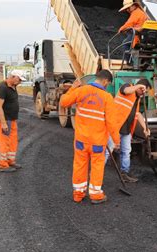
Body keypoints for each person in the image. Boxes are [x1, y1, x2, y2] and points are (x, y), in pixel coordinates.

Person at [59, 70, 120, 204]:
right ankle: (95, 195)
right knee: (97, 167)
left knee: (80, 165)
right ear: (105, 81)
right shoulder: (107, 97)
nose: (107, 86)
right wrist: (116, 140)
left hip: (81, 139)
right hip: (97, 142)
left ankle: (78, 194)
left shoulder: (82, 90)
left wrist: (73, 88)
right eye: (108, 84)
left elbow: (64, 102)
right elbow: (111, 122)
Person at [105, 79, 150, 183]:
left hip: (126, 130)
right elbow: (126, 90)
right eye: (144, 90)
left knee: (126, 151)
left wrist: (145, 128)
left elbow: (137, 114)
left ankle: (124, 173)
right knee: (107, 152)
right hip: (115, 127)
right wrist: (138, 85)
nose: (144, 93)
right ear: (139, 87)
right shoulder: (127, 86)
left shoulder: (137, 99)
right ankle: (96, 174)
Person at [0, 70, 26, 172]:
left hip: (12, 119)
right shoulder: (2, 87)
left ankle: (10, 161)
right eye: (19, 79)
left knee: (12, 141)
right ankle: (2, 165)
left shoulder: (13, 86)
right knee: (4, 142)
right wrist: (3, 123)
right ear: (13, 77)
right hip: (5, 120)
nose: (20, 82)